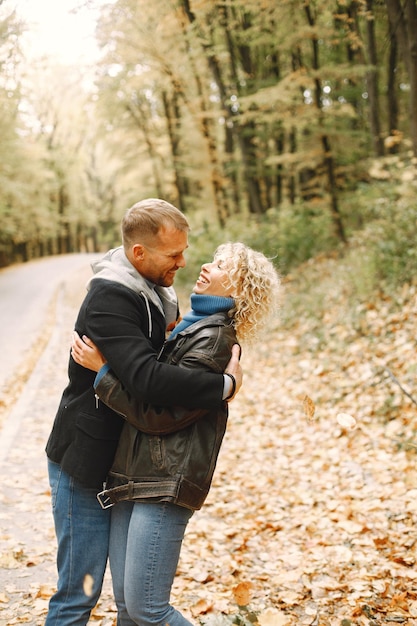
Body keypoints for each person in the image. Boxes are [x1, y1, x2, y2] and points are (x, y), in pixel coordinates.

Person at [44, 199, 242, 626]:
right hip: (84, 458)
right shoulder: (111, 297)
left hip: (122, 460)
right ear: (139, 254)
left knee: (131, 605)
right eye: (173, 255)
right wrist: (223, 386)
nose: (183, 262)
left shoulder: (155, 294)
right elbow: (148, 380)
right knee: (79, 591)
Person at [71, 241, 280, 626]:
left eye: (221, 266)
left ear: (240, 288)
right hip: (133, 475)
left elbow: (160, 417)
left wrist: (103, 373)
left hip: (164, 483)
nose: (205, 266)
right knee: (128, 610)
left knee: (149, 610)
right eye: (213, 260)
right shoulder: (187, 327)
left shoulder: (214, 341)